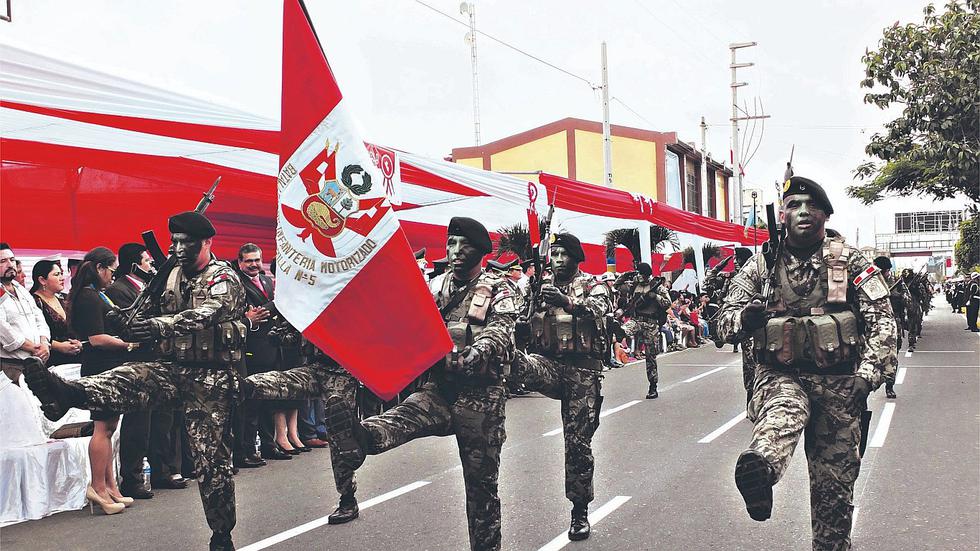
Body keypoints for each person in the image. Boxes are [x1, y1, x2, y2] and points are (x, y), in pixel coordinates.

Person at [25, 211, 247, 551]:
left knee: (212, 464)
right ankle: (68, 394)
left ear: (206, 243)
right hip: (172, 367)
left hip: (211, 378)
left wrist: (159, 326)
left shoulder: (223, 277)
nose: (178, 249)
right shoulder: (169, 277)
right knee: (128, 377)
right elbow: (142, 314)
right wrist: (126, 321)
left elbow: (209, 313)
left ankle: (221, 535)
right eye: (174, 242)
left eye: (186, 243)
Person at [308, 217, 521, 551]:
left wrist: (477, 351)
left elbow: (502, 330)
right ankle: (359, 436)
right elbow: (404, 319)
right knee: (402, 416)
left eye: (463, 245)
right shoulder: (434, 286)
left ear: (480, 251)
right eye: (450, 243)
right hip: (438, 387)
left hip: (481, 396)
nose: (454, 251)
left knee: (481, 487)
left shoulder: (499, 288)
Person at [717, 176, 897, 551]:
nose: (802, 212)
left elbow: (883, 321)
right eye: (793, 205)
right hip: (779, 375)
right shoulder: (762, 265)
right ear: (782, 215)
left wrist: (866, 376)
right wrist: (745, 319)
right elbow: (722, 323)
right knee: (783, 412)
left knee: (834, 495)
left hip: (839, 385)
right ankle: (760, 472)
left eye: (811, 206)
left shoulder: (849, 261)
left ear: (826, 215)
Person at [514, 232, 611, 541]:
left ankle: (579, 511)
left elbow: (599, 309)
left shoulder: (593, 285)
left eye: (563, 254)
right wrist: (521, 325)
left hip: (582, 371)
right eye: (553, 254)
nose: (557, 260)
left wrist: (567, 301)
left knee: (577, 445)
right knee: (516, 363)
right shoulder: (538, 288)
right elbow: (521, 319)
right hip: (549, 365)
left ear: (576, 258)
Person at [243, 325, 362, 524]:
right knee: (257, 384)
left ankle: (348, 499)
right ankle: (240, 386)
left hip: (341, 374)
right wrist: (280, 334)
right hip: (313, 370)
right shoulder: (308, 310)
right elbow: (290, 339)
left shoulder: (347, 310)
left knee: (340, 438)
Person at [107, 243, 188, 498]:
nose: (151, 265)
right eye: (146, 261)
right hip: (138, 360)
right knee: (138, 424)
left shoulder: (151, 286)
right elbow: (131, 324)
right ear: (134, 264)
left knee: (163, 421)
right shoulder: (119, 289)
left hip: (160, 358)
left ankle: (163, 470)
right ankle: (132, 478)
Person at [67, 247, 145, 513]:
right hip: (99, 367)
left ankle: (111, 486)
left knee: (109, 428)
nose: (113, 275)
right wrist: (128, 345)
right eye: (111, 270)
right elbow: (97, 338)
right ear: (100, 268)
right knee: (102, 428)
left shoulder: (97, 294)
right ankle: (98, 488)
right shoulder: (88, 297)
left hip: (109, 366)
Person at [233, 243, 275, 466]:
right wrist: (273, 306)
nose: (254, 264)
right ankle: (246, 451)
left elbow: (265, 312)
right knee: (250, 404)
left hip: (270, 348)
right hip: (249, 350)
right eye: (249, 261)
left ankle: (268, 445)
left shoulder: (267, 280)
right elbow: (246, 315)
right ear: (240, 262)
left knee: (267, 399)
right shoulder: (236, 284)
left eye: (257, 260)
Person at [616, 263, 670, 399]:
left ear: (647, 275)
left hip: (651, 323)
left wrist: (655, 297)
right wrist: (626, 275)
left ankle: (653, 386)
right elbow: (617, 286)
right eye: (638, 273)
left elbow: (667, 303)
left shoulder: (657, 286)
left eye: (642, 274)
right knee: (621, 331)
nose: (640, 276)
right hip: (636, 320)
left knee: (650, 356)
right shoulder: (635, 284)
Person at [0, 243, 51, 382]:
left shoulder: (21, 289)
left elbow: (39, 318)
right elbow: (4, 331)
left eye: (12, 260)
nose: (10, 264)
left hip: (37, 362)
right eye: (3, 261)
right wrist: (34, 348)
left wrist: (44, 343)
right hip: (12, 367)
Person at [30, 260, 83, 367]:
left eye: (61, 274)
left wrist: (79, 343)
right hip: (52, 360)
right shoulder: (33, 302)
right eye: (56, 274)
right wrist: (59, 346)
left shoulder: (64, 298)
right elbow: (33, 333)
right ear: (42, 280)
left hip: (76, 358)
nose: (62, 278)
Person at [874, 256, 903, 399]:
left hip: (892, 323)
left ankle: (889, 385)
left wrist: (896, 295)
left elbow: (907, 300)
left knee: (892, 357)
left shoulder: (895, 282)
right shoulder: (869, 284)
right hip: (873, 325)